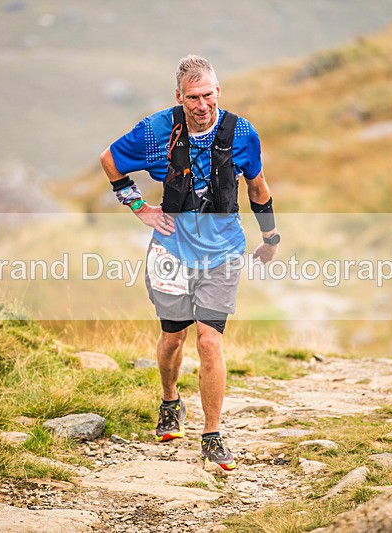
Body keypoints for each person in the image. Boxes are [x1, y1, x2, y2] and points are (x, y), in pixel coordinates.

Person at [99, 55, 280, 471]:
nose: (202, 106)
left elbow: (256, 185)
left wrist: (270, 237)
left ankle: (212, 435)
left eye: (209, 95)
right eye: (193, 98)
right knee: (174, 338)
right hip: (171, 252)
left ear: (219, 92)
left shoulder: (241, 132)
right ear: (179, 97)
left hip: (222, 252)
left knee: (210, 340)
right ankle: (169, 400)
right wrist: (139, 206)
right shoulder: (155, 130)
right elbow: (109, 161)